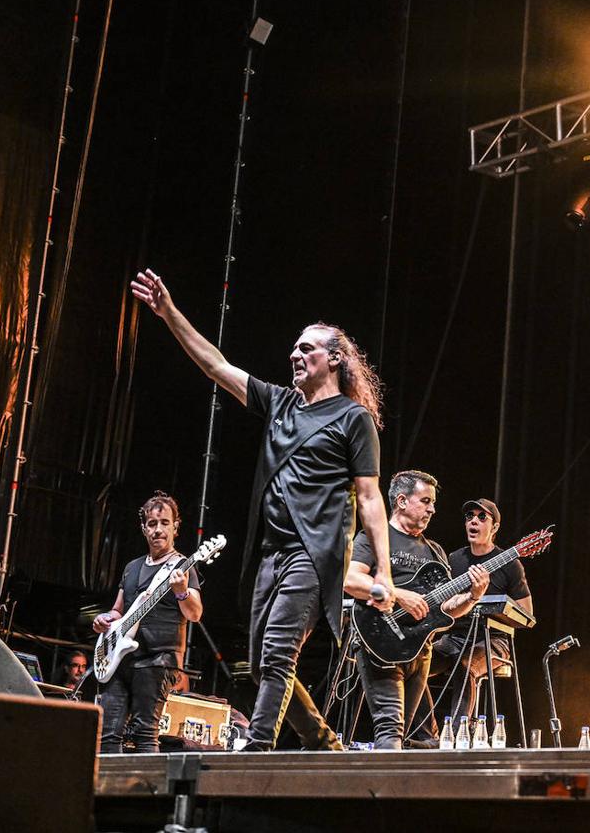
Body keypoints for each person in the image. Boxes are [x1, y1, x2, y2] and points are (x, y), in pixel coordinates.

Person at [129, 270, 395, 751]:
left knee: (277, 653)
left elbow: (372, 497)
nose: (295, 353)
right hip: (270, 555)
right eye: (294, 347)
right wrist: (168, 312)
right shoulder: (279, 404)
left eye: (307, 347)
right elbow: (215, 365)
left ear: (335, 358)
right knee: (264, 659)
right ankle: (325, 744)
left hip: (314, 555)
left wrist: (385, 572)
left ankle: (256, 747)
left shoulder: (354, 421)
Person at [343, 470, 488, 750]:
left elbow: (446, 609)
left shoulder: (435, 551)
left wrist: (472, 596)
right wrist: (398, 595)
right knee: (390, 729)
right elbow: (350, 579)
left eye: (432, 502)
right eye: (425, 501)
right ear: (401, 500)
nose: (432, 509)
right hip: (379, 642)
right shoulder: (375, 537)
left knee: (405, 734)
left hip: (420, 650)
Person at [92, 493, 202, 753]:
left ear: (175, 527)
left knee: (145, 733)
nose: (158, 529)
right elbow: (119, 611)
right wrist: (105, 619)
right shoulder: (132, 567)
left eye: (165, 522)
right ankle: (108, 792)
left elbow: (195, 613)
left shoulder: (183, 567)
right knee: (107, 733)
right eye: (152, 524)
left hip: (157, 659)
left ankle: (144, 794)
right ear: (144, 529)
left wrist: (182, 591)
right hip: (120, 659)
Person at [419, 497, 532, 741]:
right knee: (416, 663)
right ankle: (430, 735)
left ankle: (460, 734)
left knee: (465, 666)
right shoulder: (453, 559)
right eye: (470, 516)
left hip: (493, 642)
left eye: (482, 517)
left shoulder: (510, 564)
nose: (474, 521)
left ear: (495, 527)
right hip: (454, 637)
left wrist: (490, 606)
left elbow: (527, 614)